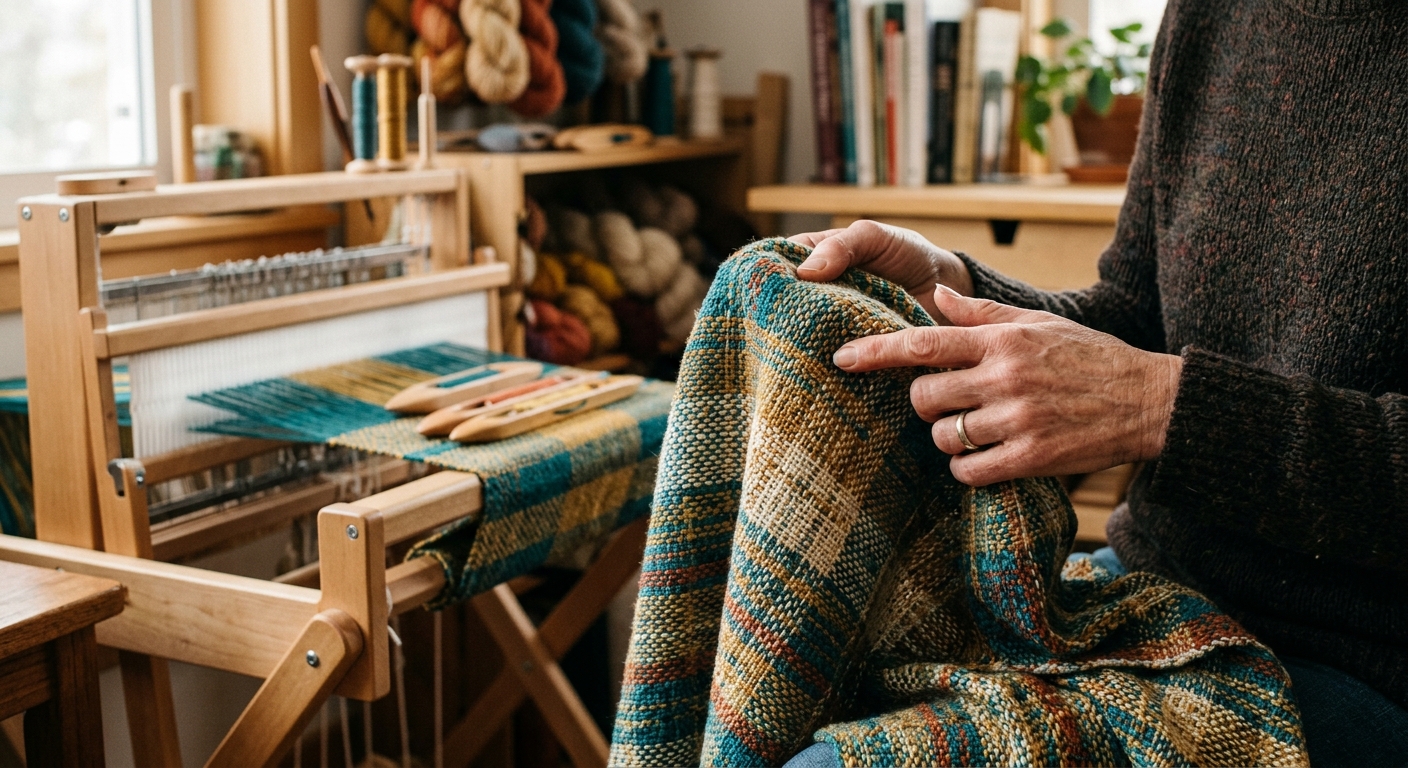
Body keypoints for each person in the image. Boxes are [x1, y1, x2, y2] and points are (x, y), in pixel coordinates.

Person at [785, 0, 1408, 765]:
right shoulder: (1210, 17)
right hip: (1156, 591)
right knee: (802, 677)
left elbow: (1149, 378)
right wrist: (952, 291)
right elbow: (1135, 313)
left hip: (1370, 662)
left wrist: (1160, 406)